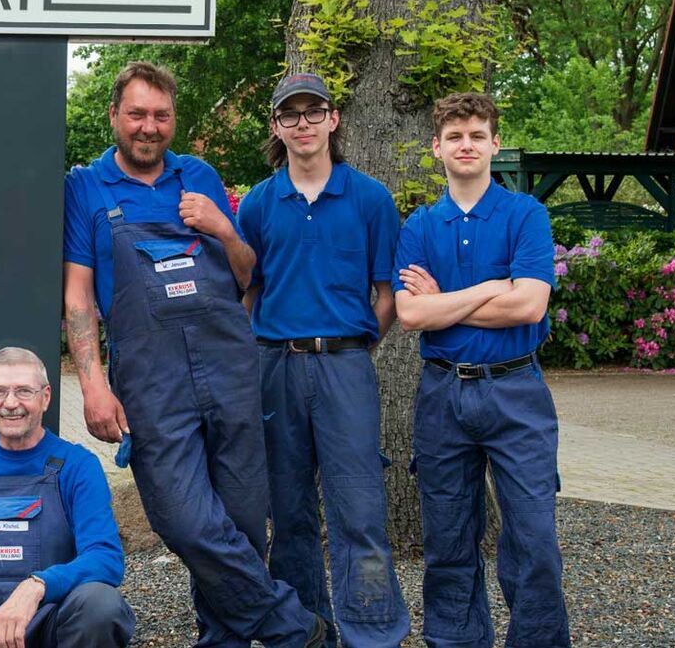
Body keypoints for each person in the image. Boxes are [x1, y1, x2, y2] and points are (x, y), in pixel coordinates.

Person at [61, 61, 326, 647]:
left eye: (161, 115)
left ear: (173, 119)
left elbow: (245, 275)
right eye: (137, 114)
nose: (149, 127)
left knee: (242, 518)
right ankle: (293, 626)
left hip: (229, 364)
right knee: (182, 517)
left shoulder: (198, 175)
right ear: (114, 115)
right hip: (152, 378)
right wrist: (93, 384)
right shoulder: (85, 187)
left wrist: (224, 230)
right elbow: (78, 295)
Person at [236, 74, 410, 648]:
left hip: (345, 368)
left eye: (315, 112)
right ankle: (303, 630)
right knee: (288, 513)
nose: (303, 123)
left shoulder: (370, 199)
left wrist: (353, 349)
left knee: (359, 511)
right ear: (276, 126)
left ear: (334, 120)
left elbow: (386, 296)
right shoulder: (258, 205)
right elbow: (249, 293)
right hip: (276, 369)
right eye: (291, 114)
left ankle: (373, 632)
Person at [394, 92, 568, 647]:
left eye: (476, 136)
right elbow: (411, 314)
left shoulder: (525, 214)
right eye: (454, 136)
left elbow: (530, 306)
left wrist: (446, 300)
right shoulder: (420, 226)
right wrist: (493, 287)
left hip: (516, 390)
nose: (465, 145)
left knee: (534, 538)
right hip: (443, 394)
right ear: (437, 147)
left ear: (495, 144)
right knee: (448, 541)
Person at [0, 347, 134, 648]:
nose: (11, 403)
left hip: (53, 631)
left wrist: (37, 585)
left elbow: (105, 557)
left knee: (102, 604)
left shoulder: (77, 466)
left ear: (45, 397)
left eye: (24, 391)